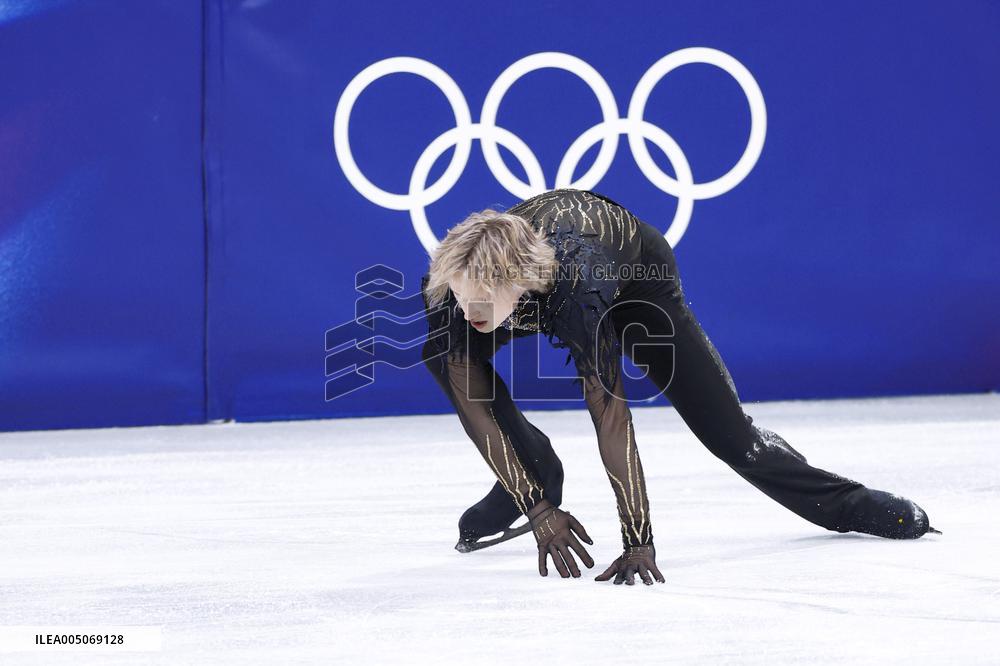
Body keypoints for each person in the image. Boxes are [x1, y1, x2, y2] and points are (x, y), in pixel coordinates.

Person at [420, 188, 940, 586]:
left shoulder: (580, 284)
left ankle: (846, 504)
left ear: (519, 279)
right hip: (535, 282)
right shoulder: (452, 290)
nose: (472, 312)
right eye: (465, 299)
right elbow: (473, 403)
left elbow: (610, 414)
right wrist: (536, 506)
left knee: (730, 435)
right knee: (447, 356)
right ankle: (536, 467)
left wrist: (638, 540)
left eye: (483, 299)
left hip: (636, 282)